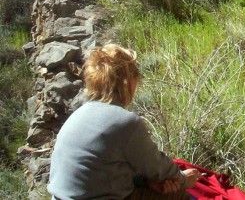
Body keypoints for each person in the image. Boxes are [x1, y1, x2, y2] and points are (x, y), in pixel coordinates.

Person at [48, 44, 200, 200]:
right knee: (179, 195)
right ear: (127, 82)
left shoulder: (78, 115)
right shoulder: (126, 122)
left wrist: (145, 182)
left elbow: (101, 169)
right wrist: (183, 180)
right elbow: (158, 168)